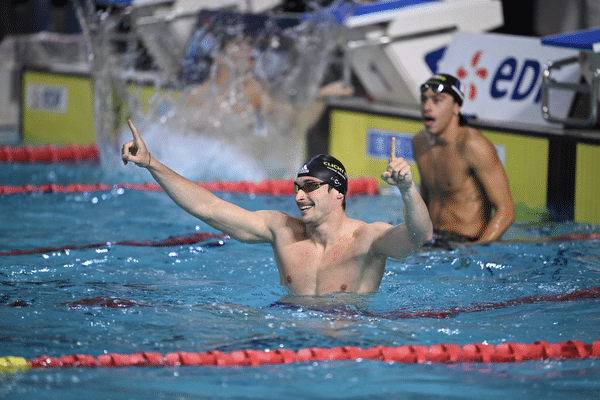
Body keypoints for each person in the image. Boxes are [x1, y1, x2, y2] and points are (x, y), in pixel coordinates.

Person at [122, 120, 432, 297]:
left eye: (310, 186)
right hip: (288, 334)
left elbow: (419, 235)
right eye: (298, 187)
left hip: (345, 353)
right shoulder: (282, 230)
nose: (299, 196)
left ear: (338, 193)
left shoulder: (369, 240)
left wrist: (407, 189)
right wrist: (152, 164)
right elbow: (209, 207)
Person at [412, 74, 515, 247]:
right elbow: (426, 197)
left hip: (467, 244)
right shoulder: (420, 143)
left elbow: (506, 212)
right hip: (433, 238)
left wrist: (477, 252)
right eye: (424, 100)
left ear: (456, 107)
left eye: (437, 100)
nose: (427, 107)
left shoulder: (473, 146)